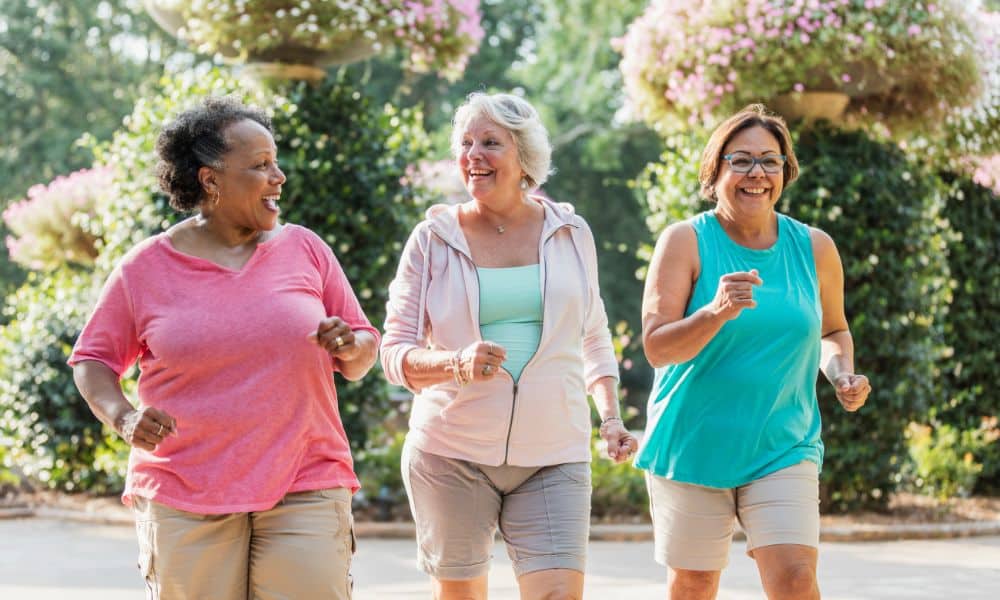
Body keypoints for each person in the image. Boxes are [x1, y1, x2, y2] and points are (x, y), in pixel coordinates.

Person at [69, 96, 379, 600]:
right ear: (210, 179)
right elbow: (93, 360)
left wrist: (350, 344)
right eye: (260, 165)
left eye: (276, 162)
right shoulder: (145, 268)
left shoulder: (306, 249)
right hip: (185, 488)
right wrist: (123, 417)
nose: (278, 176)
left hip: (306, 477)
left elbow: (364, 350)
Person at [381, 92, 638, 600]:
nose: (473, 154)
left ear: (525, 157)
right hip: (451, 453)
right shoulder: (432, 239)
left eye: (490, 143)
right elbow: (395, 354)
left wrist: (610, 418)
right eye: (465, 143)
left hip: (554, 452)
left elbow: (593, 333)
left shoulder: (571, 232)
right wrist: (456, 363)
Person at [637, 104, 871, 600]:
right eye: (740, 161)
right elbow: (657, 348)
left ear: (785, 170)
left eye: (770, 160)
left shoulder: (815, 248)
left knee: (796, 579)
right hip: (693, 444)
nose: (757, 173)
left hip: (783, 444)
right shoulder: (684, 241)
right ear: (715, 172)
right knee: (694, 586)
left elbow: (833, 330)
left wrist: (841, 373)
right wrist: (715, 312)